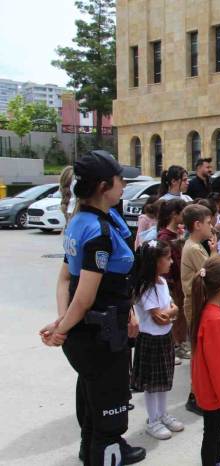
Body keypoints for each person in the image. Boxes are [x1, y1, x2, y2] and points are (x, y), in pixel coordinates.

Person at [38, 150, 146, 465]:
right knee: (109, 405)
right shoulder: (96, 230)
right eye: (119, 179)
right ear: (102, 186)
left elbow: (65, 281)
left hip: (94, 330)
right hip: (98, 335)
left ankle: (91, 450)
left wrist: (63, 322)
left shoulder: (87, 219)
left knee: (92, 394)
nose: (124, 185)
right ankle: (106, 453)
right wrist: (62, 328)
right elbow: (83, 296)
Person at [131, 240, 184, 440]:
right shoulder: (146, 288)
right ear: (155, 262)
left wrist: (170, 311)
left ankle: (163, 414)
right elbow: (160, 318)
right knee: (152, 384)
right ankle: (152, 420)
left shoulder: (161, 283)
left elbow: (172, 308)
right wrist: (171, 312)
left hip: (164, 338)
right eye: (167, 258)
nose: (171, 262)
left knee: (164, 380)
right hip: (150, 339)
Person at [191, 255, 220, 466]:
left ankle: (217, 462)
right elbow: (217, 365)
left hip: (209, 387)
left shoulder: (209, 309)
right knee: (212, 432)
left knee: (214, 429)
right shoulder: (214, 318)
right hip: (214, 390)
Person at [181, 203, 216, 415]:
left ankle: (200, 391)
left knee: (202, 350)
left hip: (198, 302)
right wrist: (213, 251)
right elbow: (212, 271)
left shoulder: (194, 246)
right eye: (208, 223)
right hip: (194, 304)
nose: (211, 227)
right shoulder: (194, 248)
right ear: (197, 225)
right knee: (199, 350)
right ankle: (195, 395)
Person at [156, 199, 188, 362]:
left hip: (178, 281)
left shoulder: (176, 234)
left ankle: (179, 343)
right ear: (175, 215)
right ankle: (175, 346)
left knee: (181, 314)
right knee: (174, 315)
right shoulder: (164, 236)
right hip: (171, 282)